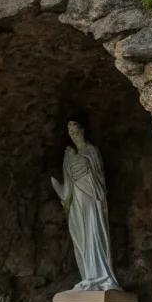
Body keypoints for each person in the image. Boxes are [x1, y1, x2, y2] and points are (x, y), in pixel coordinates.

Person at [51, 119, 120, 291]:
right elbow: (67, 186)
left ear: (82, 130)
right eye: (69, 130)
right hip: (76, 200)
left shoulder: (91, 151)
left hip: (91, 197)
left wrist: (80, 160)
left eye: (75, 129)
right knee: (80, 234)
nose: (72, 133)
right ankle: (87, 275)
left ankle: (100, 275)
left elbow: (99, 178)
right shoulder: (69, 155)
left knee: (93, 231)